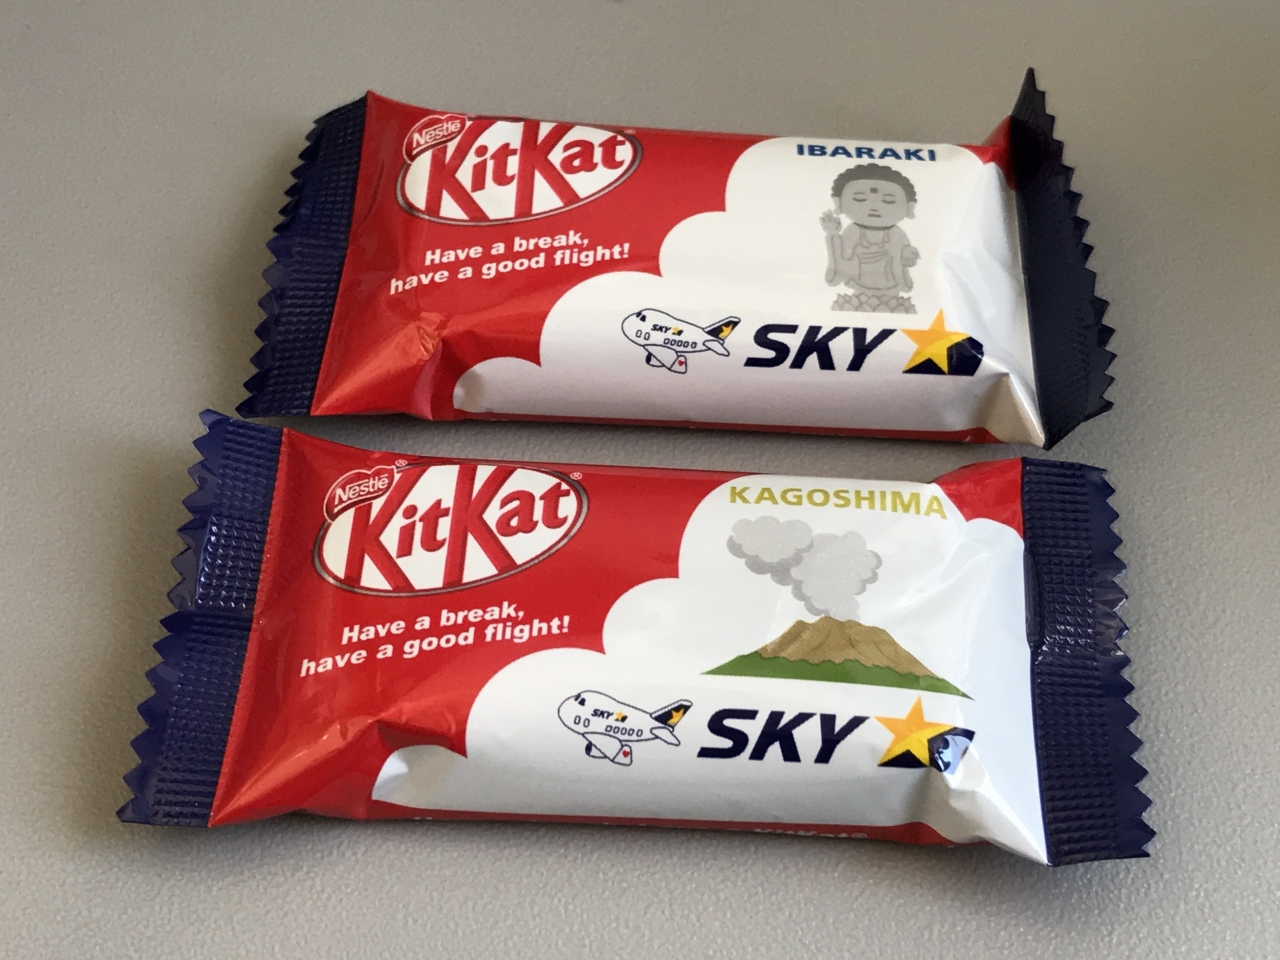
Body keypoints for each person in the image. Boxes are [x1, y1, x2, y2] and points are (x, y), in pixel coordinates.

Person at [820, 164, 920, 314]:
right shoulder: (853, 231)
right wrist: (832, 234)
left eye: (888, 201)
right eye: (860, 199)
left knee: (895, 306)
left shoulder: (896, 233)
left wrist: (908, 256)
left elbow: (904, 260)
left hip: (892, 288)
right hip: (860, 286)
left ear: (909, 207)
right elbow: (841, 259)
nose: (874, 207)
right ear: (839, 203)